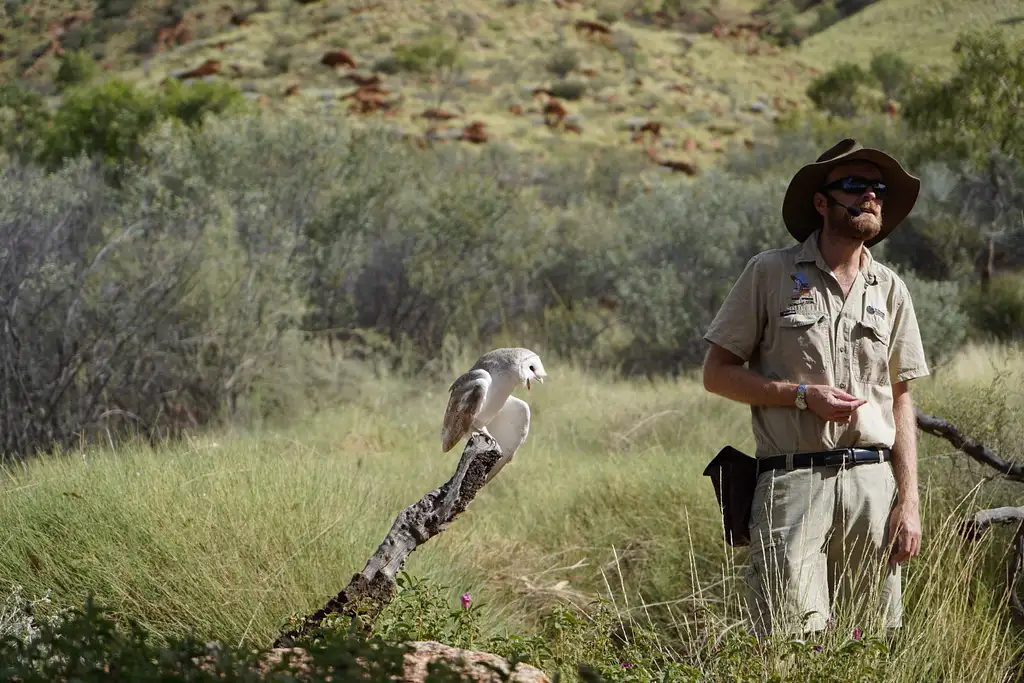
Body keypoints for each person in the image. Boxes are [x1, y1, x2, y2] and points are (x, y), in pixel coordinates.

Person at [701, 138, 930, 638]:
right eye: (854, 185)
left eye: (878, 188)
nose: (870, 196)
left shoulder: (890, 288)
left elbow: (902, 399)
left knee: (869, 645)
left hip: (874, 488)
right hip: (792, 482)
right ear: (822, 202)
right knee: (789, 645)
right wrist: (802, 397)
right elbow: (716, 373)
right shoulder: (769, 273)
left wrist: (908, 502)